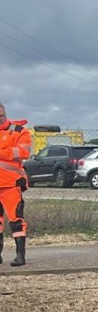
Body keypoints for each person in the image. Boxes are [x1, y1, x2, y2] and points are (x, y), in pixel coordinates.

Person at [0, 103, 32, 267]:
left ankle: (20, 256)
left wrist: (2, 151)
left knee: (16, 220)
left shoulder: (19, 131)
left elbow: (25, 152)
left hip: (10, 184)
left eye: (1, 116)